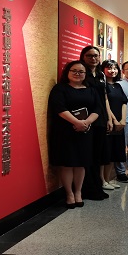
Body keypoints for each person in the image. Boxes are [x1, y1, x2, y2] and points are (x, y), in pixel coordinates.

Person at [48, 61, 101, 208]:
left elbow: (98, 109)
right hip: (65, 131)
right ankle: (69, 194)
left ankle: (78, 192)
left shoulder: (92, 90)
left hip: (85, 131)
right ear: (68, 72)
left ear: (86, 74)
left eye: (81, 71)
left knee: (81, 163)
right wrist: (76, 122)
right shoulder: (60, 89)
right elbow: (59, 108)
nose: (78, 74)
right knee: (67, 163)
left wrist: (86, 122)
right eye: (74, 71)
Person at [79, 45, 110, 200]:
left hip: (100, 118)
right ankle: (87, 189)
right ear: (83, 57)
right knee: (88, 155)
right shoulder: (81, 73)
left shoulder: (100, 74)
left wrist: (109, 118)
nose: (93, 58)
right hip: (87, 117)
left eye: (96, 56)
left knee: (98, 154)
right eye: (90, 55)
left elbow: (105, 97)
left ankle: (97, 186)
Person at [101, 59, 128, 189]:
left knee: (114, 153)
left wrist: (123, 120)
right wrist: (114, 120)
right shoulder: (102, 85)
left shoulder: (118, 86)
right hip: (109, 123)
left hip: (119, 124)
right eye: (109, 68)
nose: (113, 71)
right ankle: (102, 181)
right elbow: (105, 104)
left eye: (115, 68)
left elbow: (124, 102)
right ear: (103, 69)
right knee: (105, 153)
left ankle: (108, 179)